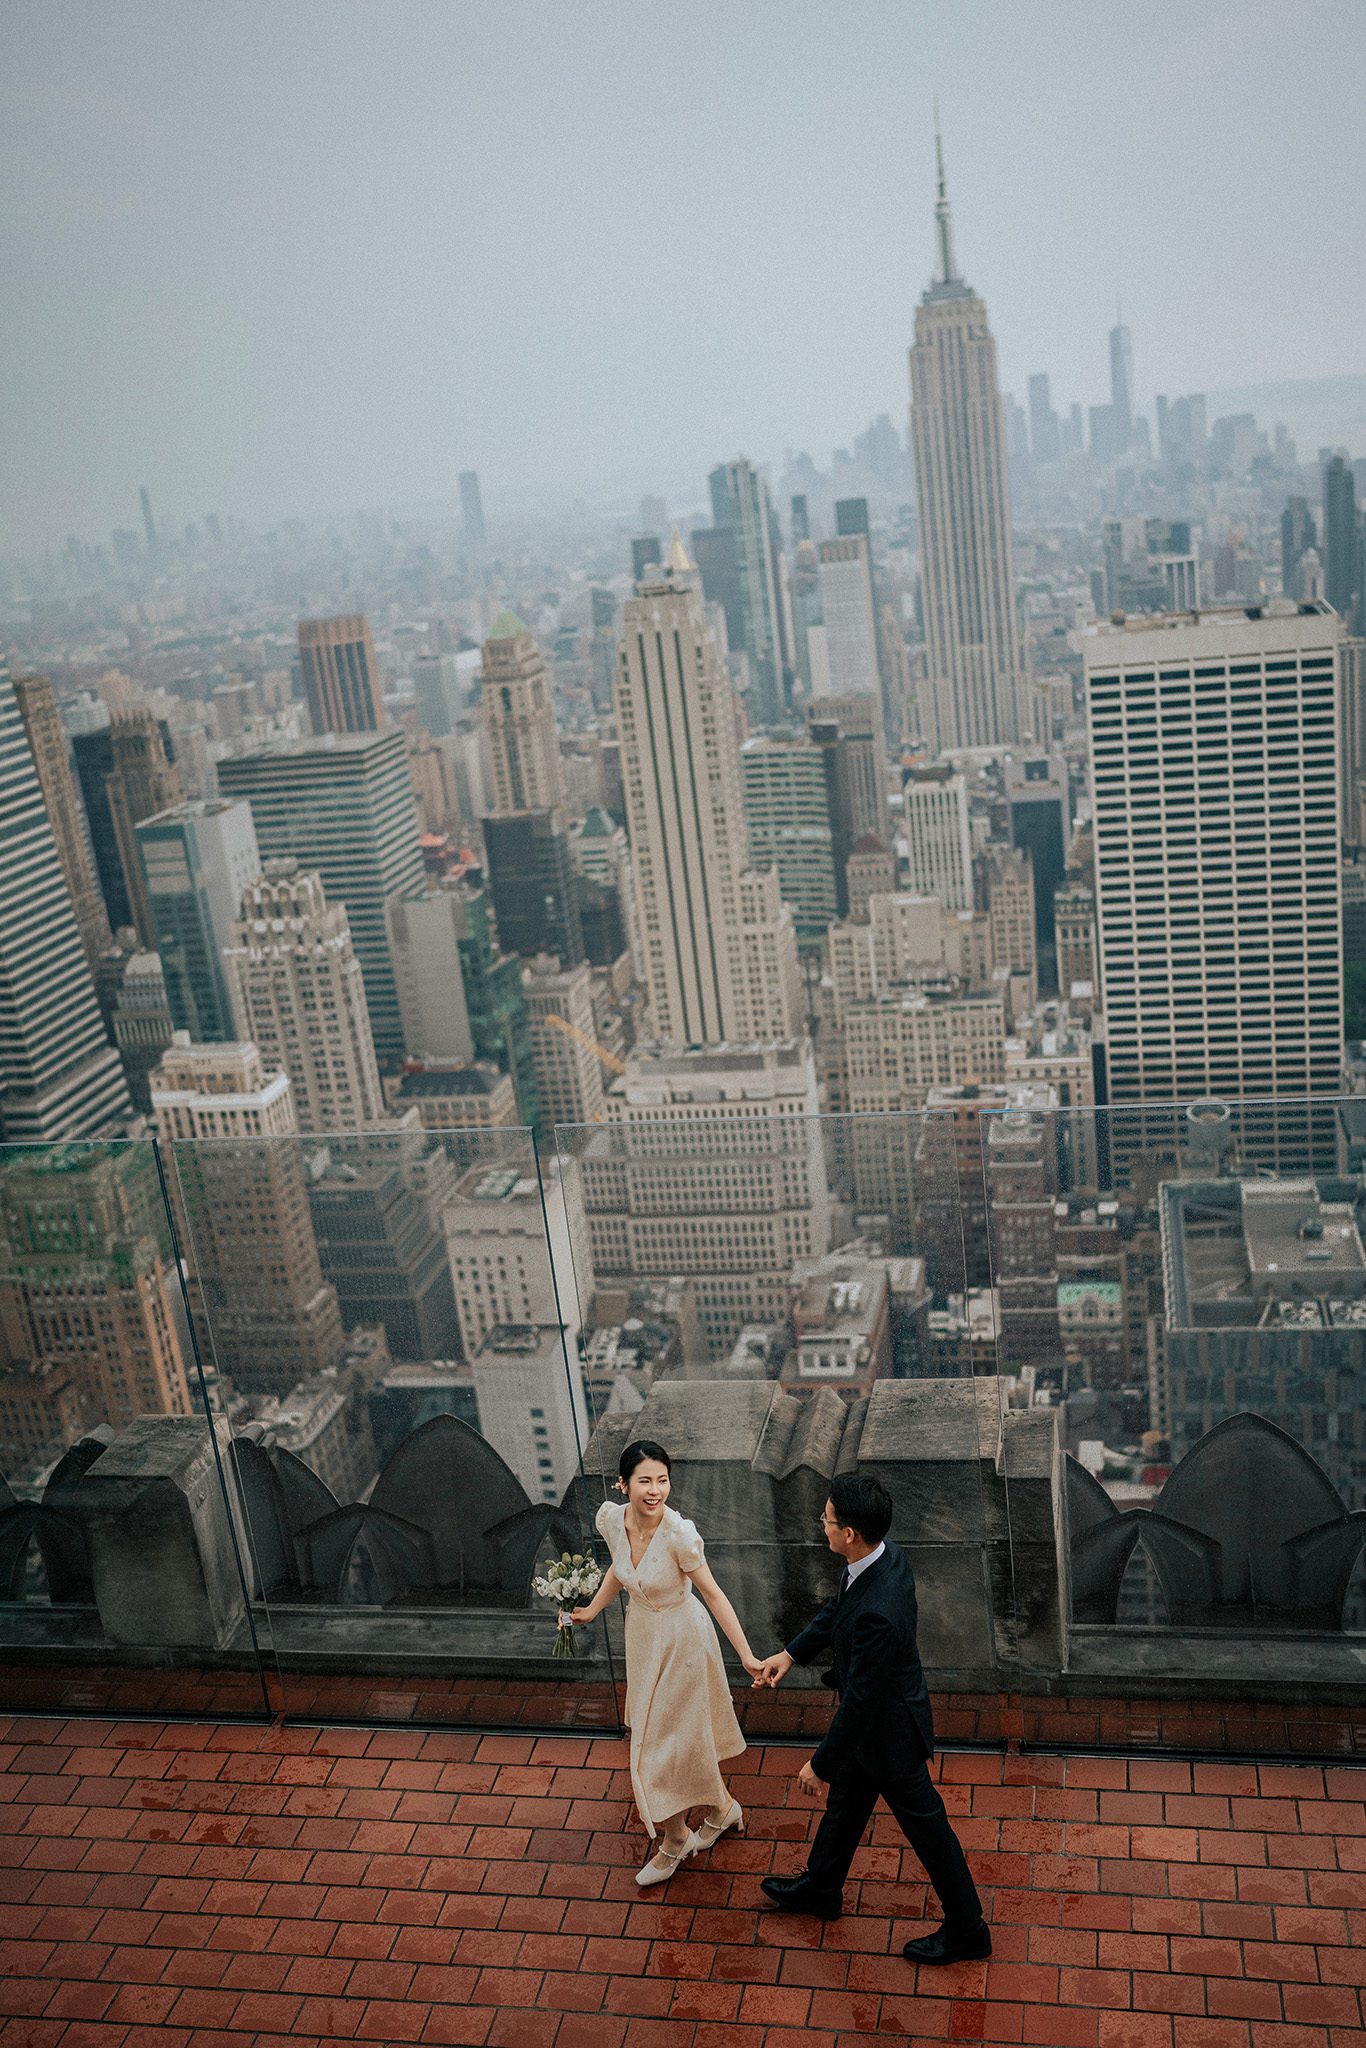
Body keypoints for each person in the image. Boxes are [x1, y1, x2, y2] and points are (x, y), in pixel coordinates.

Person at [753, 1472, 990, 1965]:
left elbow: (862, 1699)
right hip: (875, 1726)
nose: (823, 1524)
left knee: (928, 1830)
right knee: (846, 1808)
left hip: (890, 1734)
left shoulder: (878, 1612)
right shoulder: (883, 1558)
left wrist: (819, 1764)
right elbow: (838, 1609)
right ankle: (821, 1889)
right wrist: (790, 1654)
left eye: (828, 1519)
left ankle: (969, 1929)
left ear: (849, 1534)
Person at [570, 1438, 764, 1887]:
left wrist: (747, 1656)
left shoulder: (679, 1535)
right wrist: (592, 1611)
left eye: (662, 1480)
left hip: (683, 1642)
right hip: (642, 1638)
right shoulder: (612, 1521)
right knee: (667, 1738)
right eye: (644, 1481)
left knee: (661, 1747)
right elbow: (621, 1572)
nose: (654, 1490)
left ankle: (676, 1841)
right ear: (624, 1484)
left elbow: (714, 1594)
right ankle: (721, 1809)